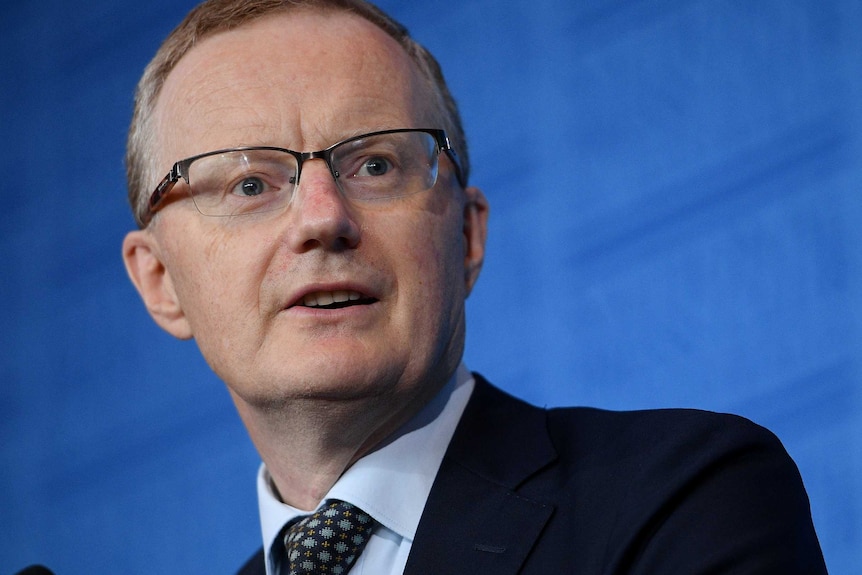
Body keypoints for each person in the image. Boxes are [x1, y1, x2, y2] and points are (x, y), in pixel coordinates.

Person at [120, 0, 828, 573]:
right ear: (160, 282)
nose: (323, 218)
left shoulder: (685, 499)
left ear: (467, 236)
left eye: (374, 166)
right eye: (250, 183)